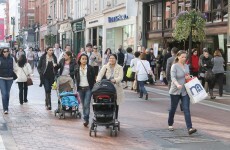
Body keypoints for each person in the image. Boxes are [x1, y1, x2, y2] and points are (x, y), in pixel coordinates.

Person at [168, 50, 197, 135]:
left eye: (185, 57)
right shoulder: (174, 66)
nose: (184, 59)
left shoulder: (187, 66)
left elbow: (187, 76)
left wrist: (188, 77)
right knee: (173, 109)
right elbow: (173, 78)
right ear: (178, 57)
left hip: (185, 91)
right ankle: (170, 124)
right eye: (182, 57)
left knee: (186, 109)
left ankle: (190, 128)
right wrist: (177, 84)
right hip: (175, 91)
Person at [96, 54, 124, 120]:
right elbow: (100, 74)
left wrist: (115, 80)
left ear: (116, 59)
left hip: (116, 87)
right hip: (107, 87)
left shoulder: (120, 67)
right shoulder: (105, 66)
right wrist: (98, 80)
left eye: (113, 58)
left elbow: (121, 77)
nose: (111, 59)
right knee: (106, 102)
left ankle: (115, 118)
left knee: (116, 103)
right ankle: (107, 117)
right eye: (110, 58)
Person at [75, 54, 95, 127]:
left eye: (85, 59)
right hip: (80, 88)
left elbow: (93, 78)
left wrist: (92, 87)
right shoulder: (77, 68)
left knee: (87, 104)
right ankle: (85, 118)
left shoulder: (90, 68)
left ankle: (86, 119)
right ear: (80, 60)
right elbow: (76, 78)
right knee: (83, 104)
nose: (84, 60)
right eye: (83, 59)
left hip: (88, 88)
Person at [0, 48, 17, 114]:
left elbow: (15, 68)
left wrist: (15, 73)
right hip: (1, 78)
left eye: (7, 51)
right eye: (4, 52)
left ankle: (6, 106)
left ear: (9, 52)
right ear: (2, 52)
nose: (6, 53)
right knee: (4, 94)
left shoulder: (12, 59)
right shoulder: (0, 59)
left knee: (7, 94)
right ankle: (5, 109)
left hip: (10, 79)